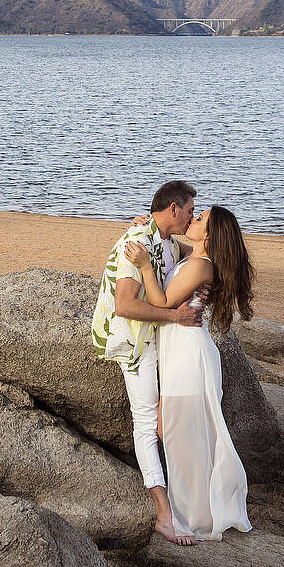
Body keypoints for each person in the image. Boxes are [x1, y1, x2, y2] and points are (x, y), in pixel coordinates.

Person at [124, 205, 254, 541]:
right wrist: (149, 224)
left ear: (210, 235)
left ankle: (194, 517)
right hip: (178, 351)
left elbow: (163, 301)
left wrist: (143, 268)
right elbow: (176, 246)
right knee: (170, 430)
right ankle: (195, 509)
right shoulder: (195, 256)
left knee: (178, 433)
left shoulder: (200, 266)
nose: (192, 221)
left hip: (188, 354)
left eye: (200, 220)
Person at [90, 180, 209, 545]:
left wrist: (205, 280)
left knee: (166, 422)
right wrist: (176, 317)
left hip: (162, 341)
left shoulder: (170, 241)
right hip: (134, 342)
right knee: (147, 423)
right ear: (173, 209)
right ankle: (164, 516)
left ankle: (192, 496)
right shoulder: (138, 243)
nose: (192, 217)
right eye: (190, 210)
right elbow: (124, 306)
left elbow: (205, 253)